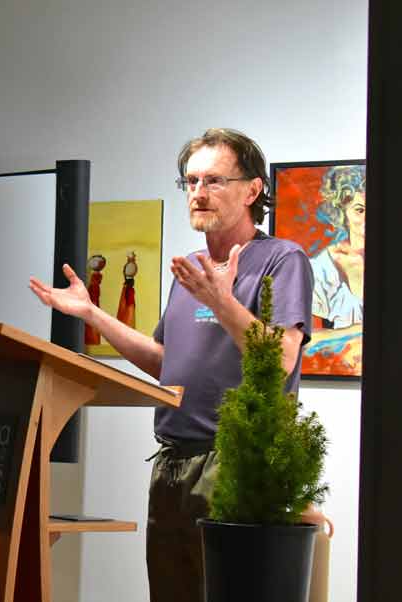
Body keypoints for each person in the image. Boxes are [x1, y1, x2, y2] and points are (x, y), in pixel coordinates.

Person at [29, 128, 314, 602]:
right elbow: (166, 363)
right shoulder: (192, 270)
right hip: (173, 463)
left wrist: (221, 301)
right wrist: (91, 314)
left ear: (252, 190)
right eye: (191, 181)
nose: (198, 193)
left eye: (214, 180)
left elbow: (282, 358)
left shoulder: (282, 259)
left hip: (236, 462)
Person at [307, 165, 365, 371]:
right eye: (360, 210)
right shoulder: (323, 268)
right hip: (341, 370)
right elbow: (303, 339)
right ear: (343, 212)